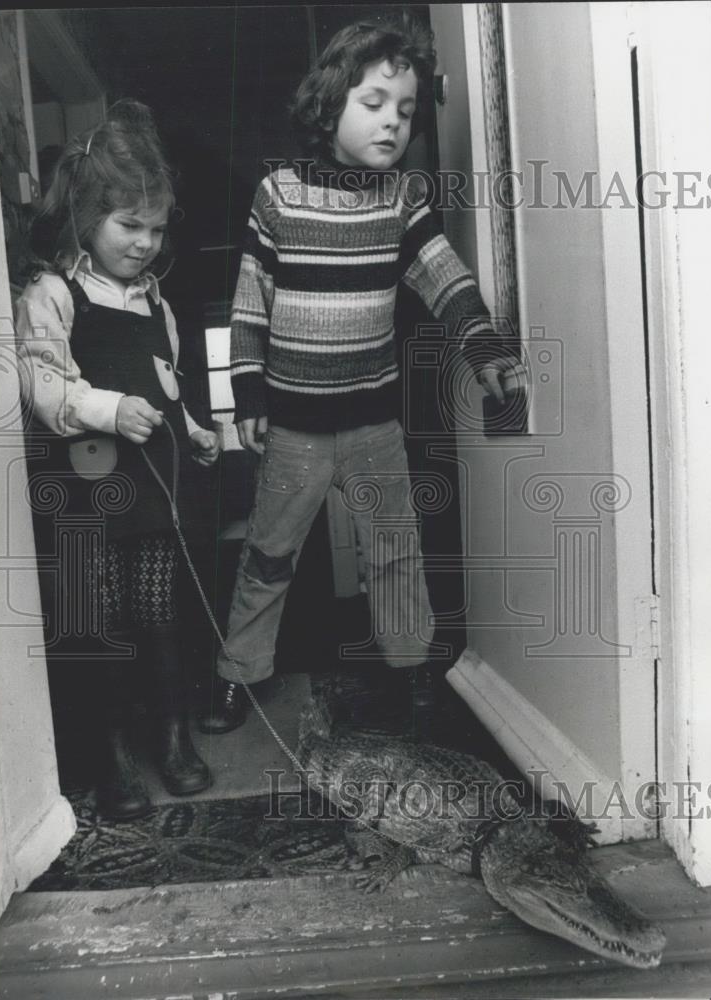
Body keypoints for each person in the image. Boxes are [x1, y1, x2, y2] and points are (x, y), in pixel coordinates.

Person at [207, 17, 519, 733]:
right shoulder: (278, 195)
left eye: (406, 111)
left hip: (374, 426)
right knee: (268, 556)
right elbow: (250, 300)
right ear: (329, 104)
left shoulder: (402, 199)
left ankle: (414, 675)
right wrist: (247, 392)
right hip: (293, 431)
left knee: (395, 555)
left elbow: (444, 277)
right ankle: (238, 674)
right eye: (374, 103)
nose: (393, 123)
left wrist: (485, 350)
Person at [16, 100, 220, 820]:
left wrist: (192, 425)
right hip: (85, 494)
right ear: (86, 217)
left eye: (156, 229)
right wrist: (107, 408)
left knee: (161, 614)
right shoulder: (53, 294)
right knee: (95, 623)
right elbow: (45, 388)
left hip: (151, 489)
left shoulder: (154, 300)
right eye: (128, 225)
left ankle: (172, 738)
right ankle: (113, 758)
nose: (143, 243)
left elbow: (167, 383)